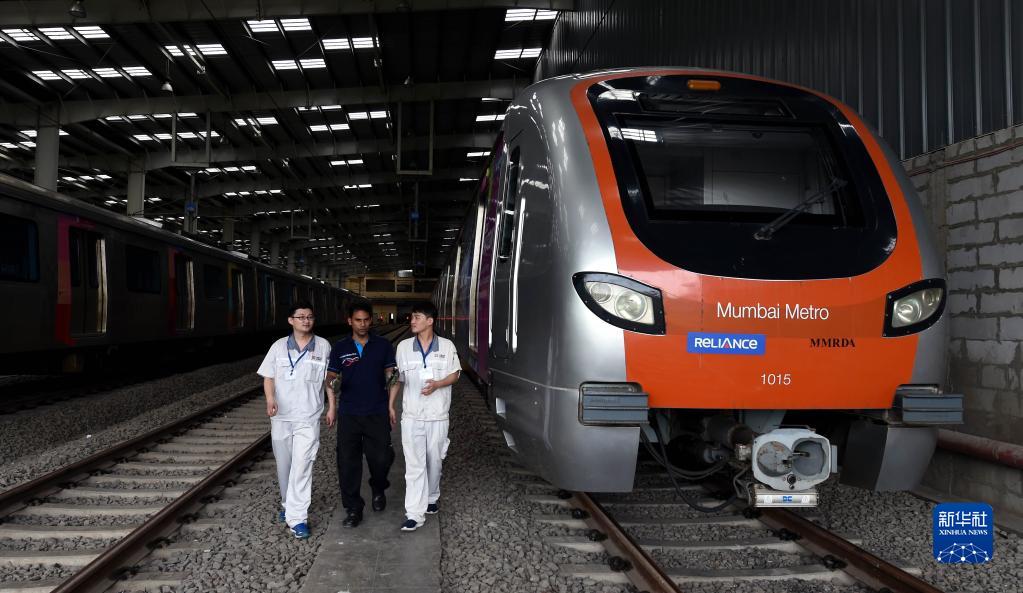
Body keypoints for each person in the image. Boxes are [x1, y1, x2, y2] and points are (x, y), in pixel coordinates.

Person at [257, 301, 334, 540]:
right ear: (291, 320)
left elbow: (329, 380)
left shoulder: (323, 346)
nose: (306, 321)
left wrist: (332, 406)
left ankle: (298, 518)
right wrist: (270, 399)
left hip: (308, 417)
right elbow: (268, 377)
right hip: (281, 417)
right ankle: (287, 504)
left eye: (309, 317)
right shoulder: (278, 347)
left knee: (302, 465)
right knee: (285, 465)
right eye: (301, 317)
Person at [326, 301, 398, 528]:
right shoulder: (340, 348)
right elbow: (330, 378)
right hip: (349, 413)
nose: (363, 324)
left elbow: (391, 375)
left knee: (381, 458)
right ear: (350, 321)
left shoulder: (383, 345)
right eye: (358, 320)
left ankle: (378, 486)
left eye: (366, 320)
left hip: (377, 410)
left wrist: (391, 405)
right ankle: (353, 508)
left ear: (371, 320)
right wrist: (332, 406)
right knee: (347, 462)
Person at [392, 301, 461, 532]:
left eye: (417, 317)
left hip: (438, 415)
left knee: (434, 461)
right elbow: (398, 379)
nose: (412, 321)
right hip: (412, 416)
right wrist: (391, 405)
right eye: (412, 317)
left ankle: (432, 497)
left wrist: (438, 384)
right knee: (414, 465)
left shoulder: (447, 346)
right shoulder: (403, 347)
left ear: (430, 321)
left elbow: (455, 374)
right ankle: (414, 513)